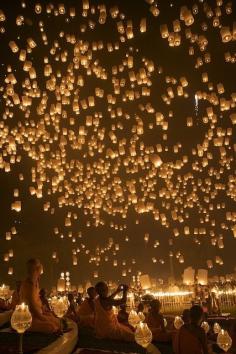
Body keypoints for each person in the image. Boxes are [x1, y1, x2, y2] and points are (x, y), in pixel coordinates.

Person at [19, 258, 61, 333]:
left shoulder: (36, 283)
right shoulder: (28, 285)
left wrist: (44, 311)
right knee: (51, 326)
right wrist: (43, 318)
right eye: (30, 270)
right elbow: (32, 307)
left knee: (56, 321)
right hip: (28, 318)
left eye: (34, 269)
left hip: (38, 315)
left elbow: (38, 302)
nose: (31, 272)